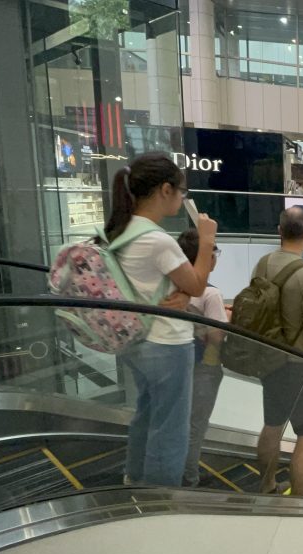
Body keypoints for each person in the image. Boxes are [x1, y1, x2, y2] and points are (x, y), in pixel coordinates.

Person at [109, 153, 218, 487]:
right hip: (167, 343)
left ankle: (135, 480)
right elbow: (198, 284)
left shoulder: (122, 230)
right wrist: (207, 240)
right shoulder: (158, 240)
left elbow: (152, 284)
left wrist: (182, 293)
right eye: (181, 191)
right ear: (165, 190)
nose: (182, 198)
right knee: (171, 429)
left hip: (136, 341)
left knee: (146, 415)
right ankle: (162, 499)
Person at [255, 206, 303, 497]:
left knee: (272, 425)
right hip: (302, 366)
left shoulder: (263, 264)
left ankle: (267, 486)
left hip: (270, 359)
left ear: (279, 231)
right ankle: (298, 502)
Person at [178, 228, 228, 487]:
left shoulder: (174, 286)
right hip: (205, 366)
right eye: (213, 252)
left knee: (177, 420)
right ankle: (189, 478)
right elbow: (217, 336)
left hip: (177, 361)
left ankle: (171, 470)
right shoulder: (211, 294)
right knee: (196, 424)